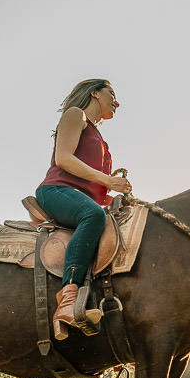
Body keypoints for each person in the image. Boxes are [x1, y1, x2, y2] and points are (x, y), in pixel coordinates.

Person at [36, 78, 132, 339]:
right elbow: (63, 158)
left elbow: (93, 187)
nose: (117, 101)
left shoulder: (102, 142)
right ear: (94, 94)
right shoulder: (75, 115)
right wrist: (109, 181)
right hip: (56, 191)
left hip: (80, 197)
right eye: (111, 93)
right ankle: (67, 299)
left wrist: (112, 195)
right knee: (92, 214)